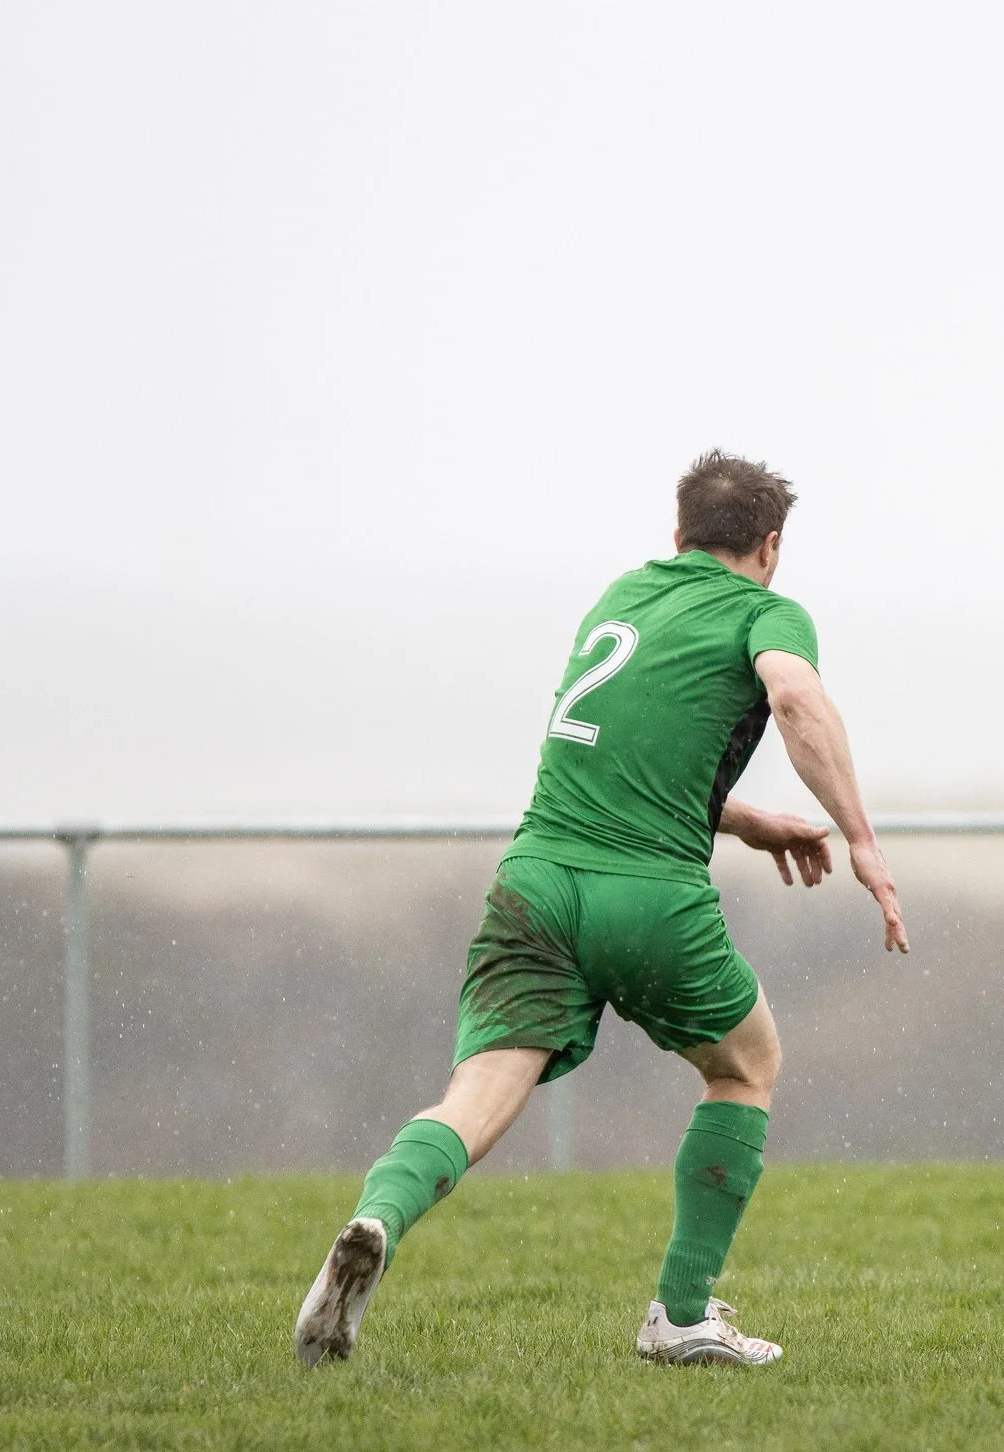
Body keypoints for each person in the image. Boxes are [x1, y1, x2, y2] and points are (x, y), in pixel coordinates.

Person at [294, 451, 908, 1368]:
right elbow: (794, 696)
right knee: (745, 1066)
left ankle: (376, 1219)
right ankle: (681, 1313)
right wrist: (858, 833)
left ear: (678, 534)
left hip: (536, 880)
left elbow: (621, 757)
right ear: (770, 548)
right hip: (647, 895)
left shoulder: (621, 598)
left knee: (478, 1094)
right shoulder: (766, 612)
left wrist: (744, 824)